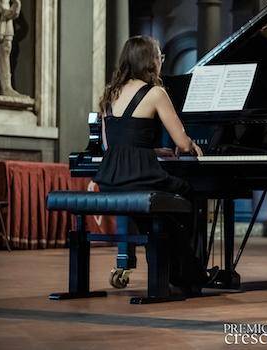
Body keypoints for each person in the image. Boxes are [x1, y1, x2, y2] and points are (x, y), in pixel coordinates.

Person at [92, 35, 205, 296]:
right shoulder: (155, 92)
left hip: (110, 178)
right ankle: (185, 272)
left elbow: (111, 146)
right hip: (139, 176)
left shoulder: (111, 93)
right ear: (150, 61)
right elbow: (183, 144)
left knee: (162, 211)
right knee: (189, 192)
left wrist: (152, 150)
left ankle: (172, 268)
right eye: (159, 56)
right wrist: (187, 143)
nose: (161, 61)